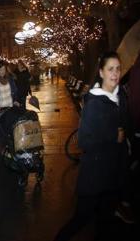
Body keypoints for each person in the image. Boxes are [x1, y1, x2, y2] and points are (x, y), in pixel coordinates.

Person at [54, 52, 129, 241]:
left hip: (113, 175)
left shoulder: (120, 96)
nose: (115, 73)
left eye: (118, 68)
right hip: (95, 175)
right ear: (102, 73)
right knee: (81, 219)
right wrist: (114, 136)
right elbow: (84, 141)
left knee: (105, 223)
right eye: (110, 69)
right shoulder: (95, 102)